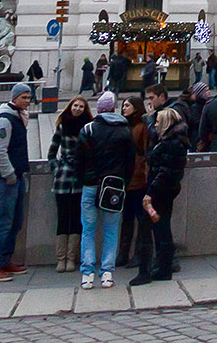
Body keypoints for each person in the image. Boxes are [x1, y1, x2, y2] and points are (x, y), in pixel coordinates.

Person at [75, 91, 134, 288]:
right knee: (110, 230)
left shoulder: (88, 129)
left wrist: (83, 179)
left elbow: (78, 160)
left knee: (88, 229)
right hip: (114, 186)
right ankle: (107, 272)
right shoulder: (124, 129)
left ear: (99, 109)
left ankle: (87, 273)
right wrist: (124, 181)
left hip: (91, 184)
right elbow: (130, 161)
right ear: (113, 108)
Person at [0, 82, 34, 281]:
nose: (27, 101)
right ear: (14, 98)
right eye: (24, 97)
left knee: (15, 221)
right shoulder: (5, 119)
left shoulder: (17, 117)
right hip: (7, 179)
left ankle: (5, 260)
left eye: (29, 97)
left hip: (16, 176)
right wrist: (10, 174)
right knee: (4, 222)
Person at [131, 107, 187, 285]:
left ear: (165, 123)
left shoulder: (171, 144)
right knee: (162, 229)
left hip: (159, 192)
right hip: (165, 191)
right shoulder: (175, 141)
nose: (155, 125)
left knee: (148, 230)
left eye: (157, 122)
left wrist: (150, 193)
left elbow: (164, 172)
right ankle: (163, 269)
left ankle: (146, 271)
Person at [48, 95, 91, 276]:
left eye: (81, 106)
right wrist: (57, 168)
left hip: (80, 177)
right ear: (70, 107)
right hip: (63, 177)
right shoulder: (62, 126)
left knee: (76, 217)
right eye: (75, 105)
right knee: (63, 217)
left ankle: (71, 257)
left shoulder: (88, 128)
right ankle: (61, 258)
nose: (77, 109)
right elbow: (51, 153)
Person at [116, 95, 152, 281]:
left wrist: (145, 176)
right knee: (127, 217)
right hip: (126, 177)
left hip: (137, 178)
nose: (124, 108)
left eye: (127, 106)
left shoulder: (141, 127)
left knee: (140, 217)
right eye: (123, 106)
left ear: (136, 108)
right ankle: (123, 252)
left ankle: (137, 253)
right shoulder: (124, 126)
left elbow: (145, 153)